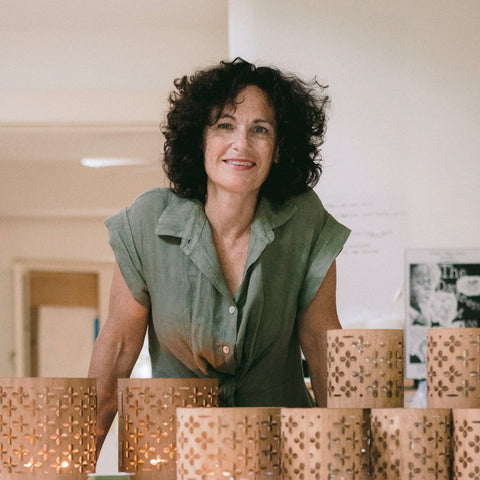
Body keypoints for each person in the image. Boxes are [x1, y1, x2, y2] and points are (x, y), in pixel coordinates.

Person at [88, 58, 350, 453]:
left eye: (260, 130)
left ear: (278, 149)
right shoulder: (146, 221)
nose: (241, 144)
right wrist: (78, 461)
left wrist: (355, 453)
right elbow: (120, 347)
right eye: (225, 126)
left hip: (281, 457)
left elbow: (321, 343)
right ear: (201, 139)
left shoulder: (306, 221)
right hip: (172, 458)